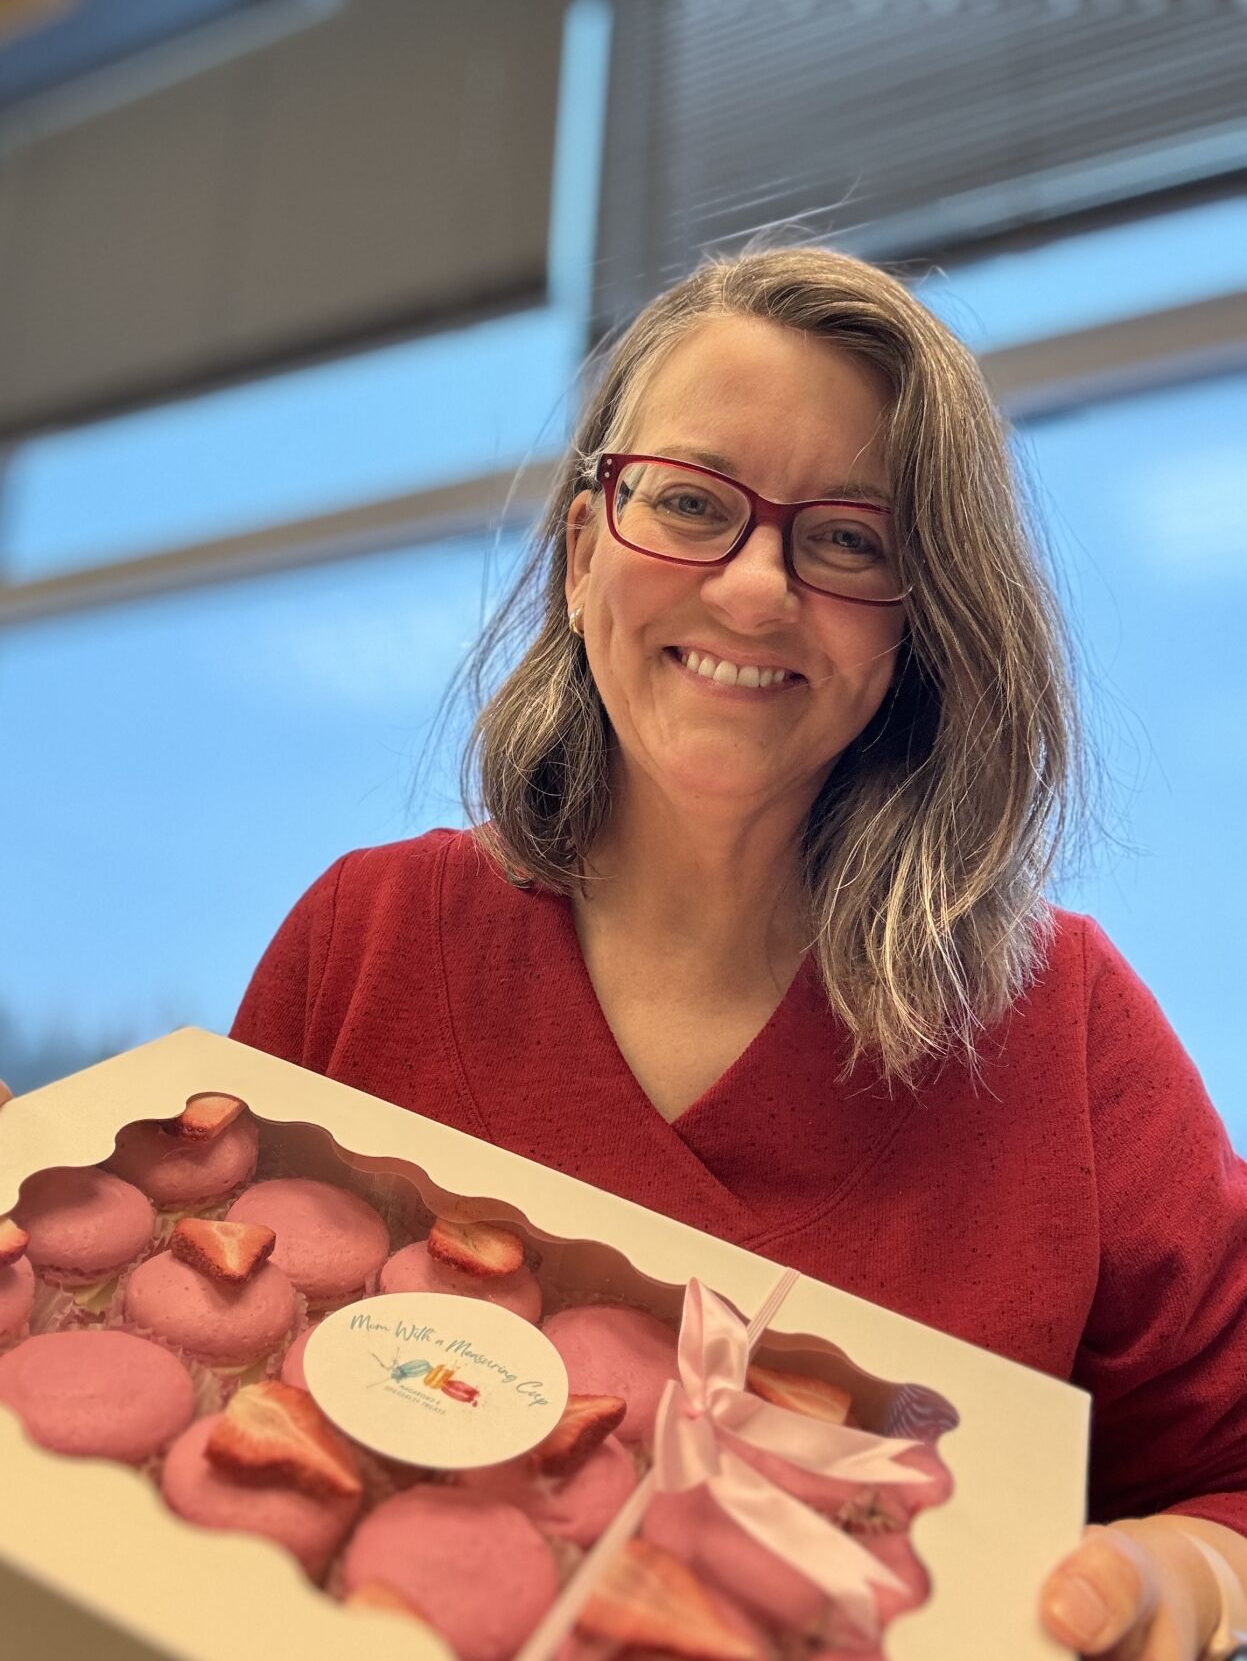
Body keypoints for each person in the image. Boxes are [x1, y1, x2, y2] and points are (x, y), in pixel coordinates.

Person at [230, 247, 1247, 1659]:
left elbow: (1233, 1476)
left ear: (920, 623)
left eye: (848, 540)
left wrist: (1181, 1589)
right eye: (691, 504)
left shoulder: (1066, 1034)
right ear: (585, 553)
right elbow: (214, 1384)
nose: (757, 590)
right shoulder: (365, 941)